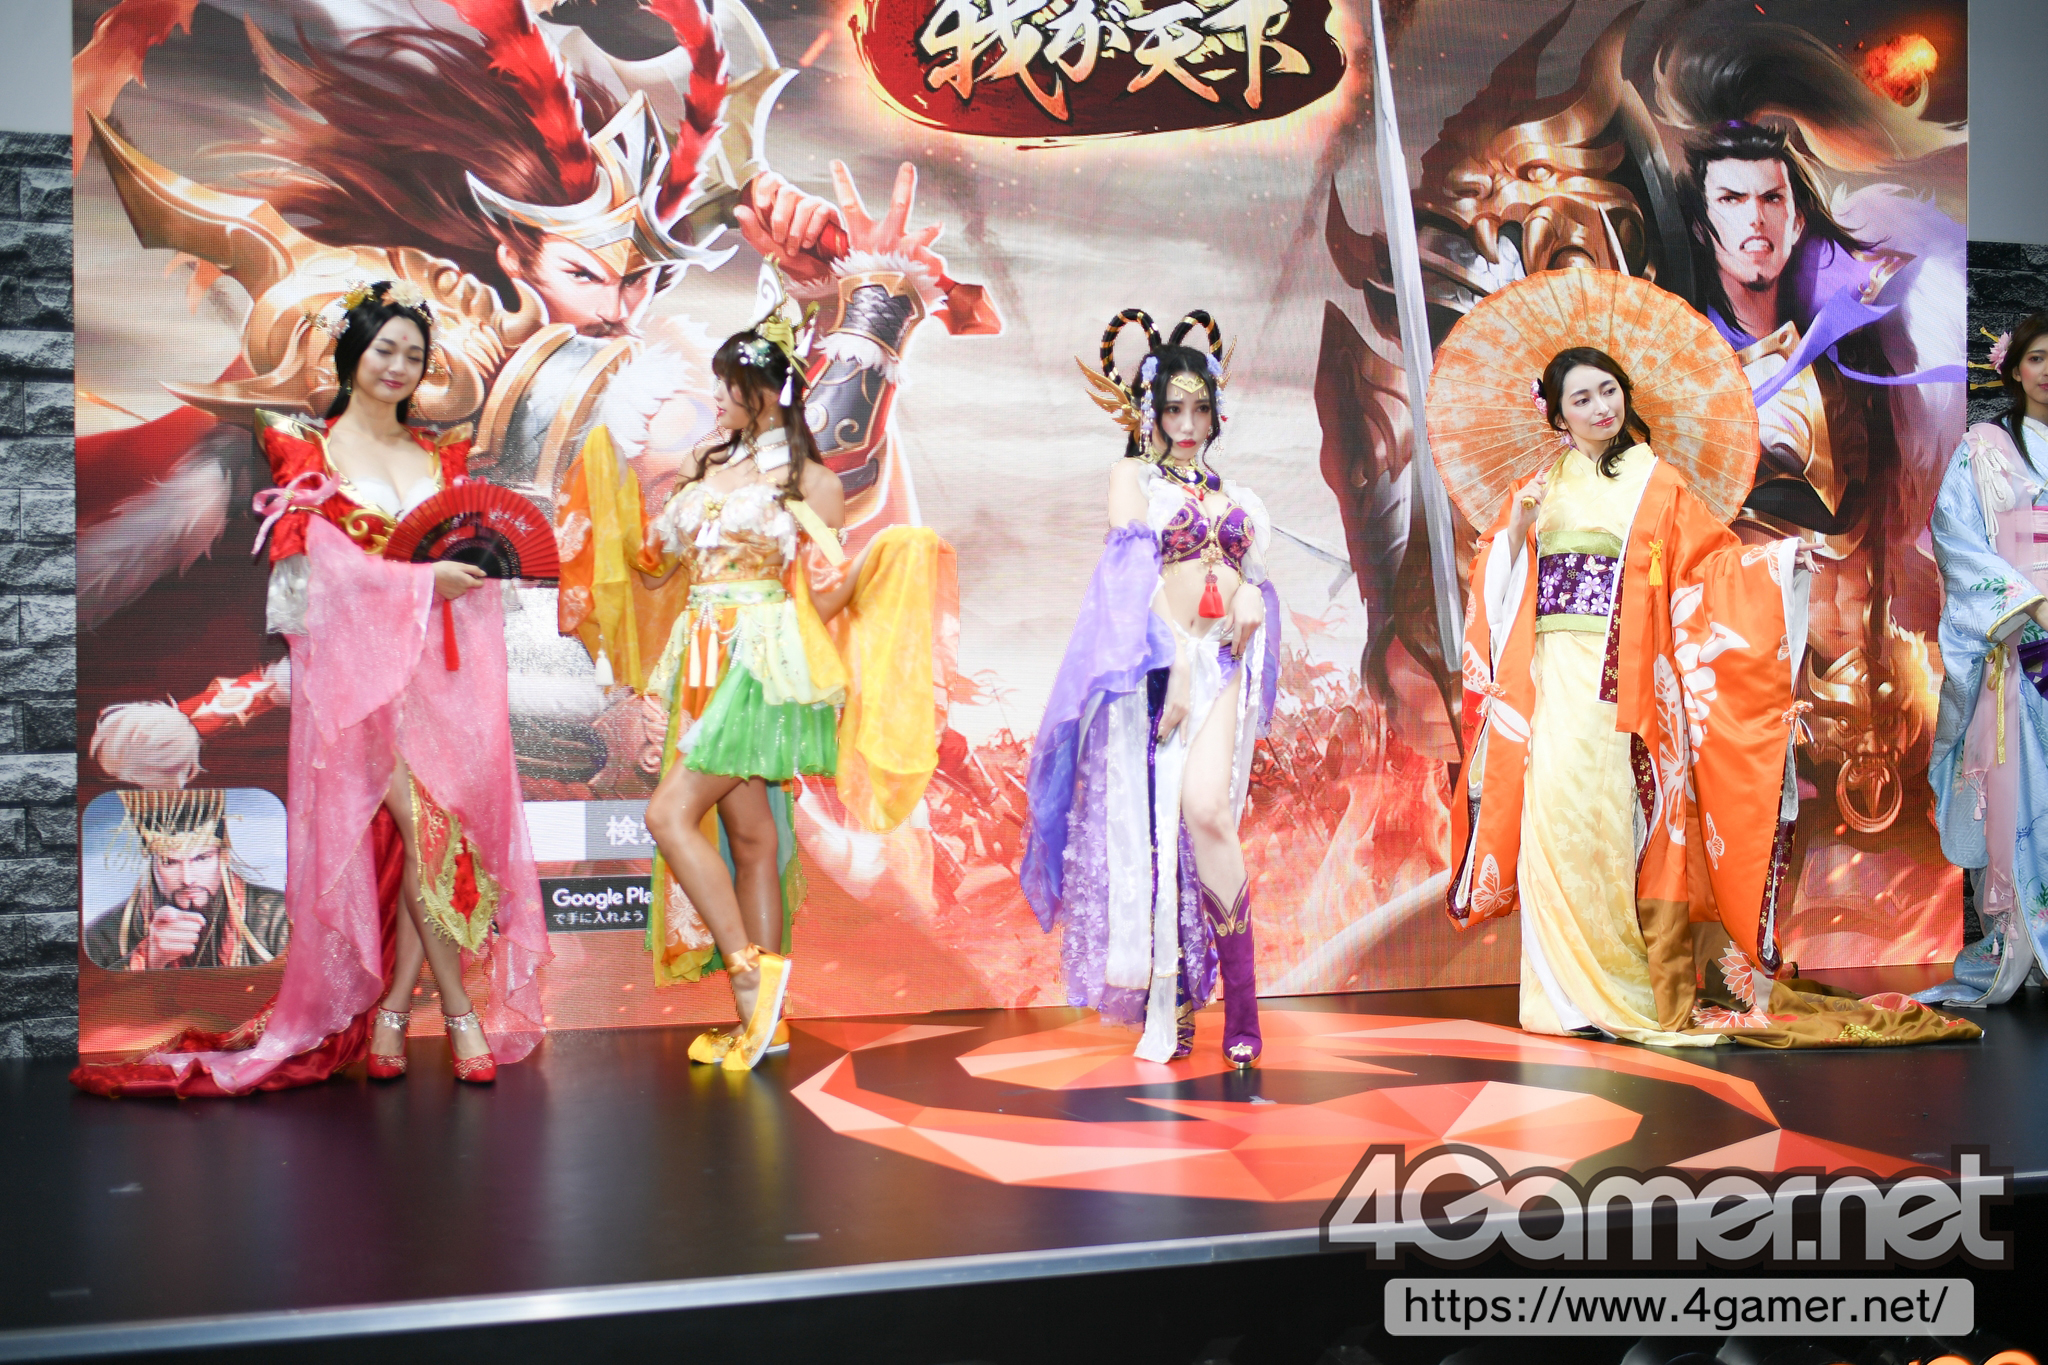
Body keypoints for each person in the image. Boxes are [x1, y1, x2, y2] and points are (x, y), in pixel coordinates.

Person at [72, 282, 551, 1097]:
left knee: (440, 844)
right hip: (356, 686)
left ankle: (393, 1013)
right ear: (352, 353)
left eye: (413, 355)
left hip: (439, 682)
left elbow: (464, 558)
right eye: (384, 349)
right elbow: (309, 586)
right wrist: (419, 583)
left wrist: (461, 580)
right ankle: (461, 1012)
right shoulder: (306, 450)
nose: (398, 366)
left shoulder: (442, 455)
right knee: (431, 833)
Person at [1454, 345, 1974, 1047]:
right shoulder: (1538, 487)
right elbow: (1496, 582)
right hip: (1551, 676)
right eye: (1581, 399)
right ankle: (1561, 995)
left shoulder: (1655, 481)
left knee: (1611, 828)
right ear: (1556, 416)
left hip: (1624, 683)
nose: (1601, 407)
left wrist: (1777, 562)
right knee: (1552, 821)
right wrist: (1517, 534)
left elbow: (1712, 567)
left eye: (1609, 390)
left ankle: (1625, 982)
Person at [635, 308, 955, 1071]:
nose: (719, 396)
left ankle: (751, 982)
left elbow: (821, 593)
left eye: (731, 384)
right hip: (702, 658)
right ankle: (768, 1025)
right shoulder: (704, 462)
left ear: (767, 391)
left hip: (760, 664)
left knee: (669, 814)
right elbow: (656, 563)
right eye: (718, 383)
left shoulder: (809, 483)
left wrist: (881, 564)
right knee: (753, 839)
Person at [1023, 310, 1279, 1069]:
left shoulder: (1237, 494)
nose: (1189, 425)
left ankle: (1244, 1006)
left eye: (1200, 409)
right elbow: (1131, 576)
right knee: (1156, 838)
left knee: (1207, 813)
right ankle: (1174, 997)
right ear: (1151, 412)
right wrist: (1175, 664)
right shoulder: (1132, 479)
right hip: (1155, 674)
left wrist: (1250, 595)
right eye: (1174, 409)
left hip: (1222, 664)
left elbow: (1256, 581)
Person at [1921, 315, 2048, 1006]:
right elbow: (1955, 537)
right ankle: (2020, 940)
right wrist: (2029, 602)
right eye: (2037, 357)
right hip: (2015, 644)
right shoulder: (1983, 448)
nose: (2047, 371)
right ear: (2014, 368)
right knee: (2016, 794)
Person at [83, 791, 289, 971]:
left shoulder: (279, 918)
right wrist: (149, 958)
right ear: (152, 863)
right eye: (170, 862)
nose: (187, 879)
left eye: (202, 858)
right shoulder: (104, 934)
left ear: (223, 857)